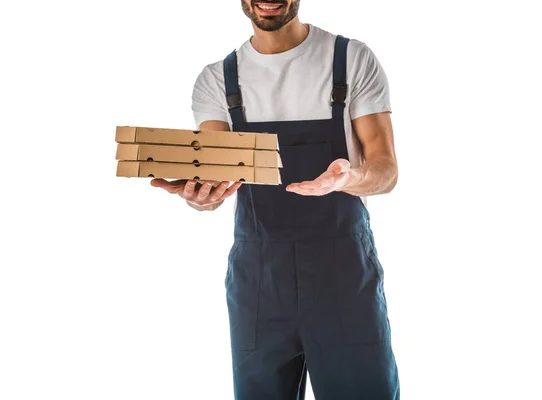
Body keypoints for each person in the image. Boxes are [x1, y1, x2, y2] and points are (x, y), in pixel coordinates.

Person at [151, 1, 400, 398]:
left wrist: (348, 178)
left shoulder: (350, 59)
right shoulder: (218, 79)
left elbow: (386, 171)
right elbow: (216, 178)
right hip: (260, 282)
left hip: (343, 277)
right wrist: (200, 196)